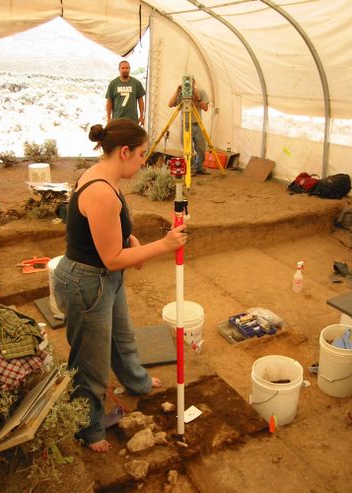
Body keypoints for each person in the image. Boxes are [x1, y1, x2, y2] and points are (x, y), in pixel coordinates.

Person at [53, 118, 187, 453]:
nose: (144, 162)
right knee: (90, 365)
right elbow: (112, 258)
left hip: (103, 278)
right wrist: (164, 245)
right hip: (86, 283)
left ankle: (136, 382)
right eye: (142, 154)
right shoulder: (100, 192)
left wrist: (132, 239)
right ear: (124, 151)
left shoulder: (106, 177)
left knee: (123, 338)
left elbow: (112, 232)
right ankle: (88, 428)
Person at [168, 77, 210, 175]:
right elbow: (170, 104)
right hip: (186, 124)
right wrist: (177, 91)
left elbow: (206, 108)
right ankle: (191, 168)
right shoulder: (181, 93)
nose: (188, 85)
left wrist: (197, 98)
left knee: (201, 148)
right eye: (187, 83)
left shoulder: (201, 92)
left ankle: (200, 167)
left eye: (191, 83)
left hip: (198, 124)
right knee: (188, 149)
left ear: (194, 83)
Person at [105, 60, 145, 126]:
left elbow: (140, 101)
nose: (125, 70)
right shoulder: (113, 84)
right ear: (119, 69)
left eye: (127, 68)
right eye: (123, 68)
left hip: (132, 120)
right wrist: (108, 118)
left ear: (129, 69)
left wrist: (141, 115)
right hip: (117, 119)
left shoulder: (136, 83)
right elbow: (109, 101)